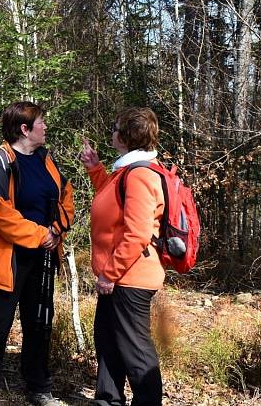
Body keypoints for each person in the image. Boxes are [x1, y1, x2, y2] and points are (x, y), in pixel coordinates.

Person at [0, 102, 74, 406]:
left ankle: (39, 387)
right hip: (7, 257)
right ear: (24, 129)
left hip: (44, 255)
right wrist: (41, 235)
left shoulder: (45, 159)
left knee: (39, 322)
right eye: (40, 122)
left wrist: (56, 231)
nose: (45, 127)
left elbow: (66, 197)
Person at [79, 107, 166, 406]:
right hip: (119, 276)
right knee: (107, 343)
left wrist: (109, 273)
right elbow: (111, 200)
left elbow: (137, 233)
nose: (112, 133)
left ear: (127, 136)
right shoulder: (126, 171)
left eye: (116, 128)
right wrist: (95, 169)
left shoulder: (140, 174)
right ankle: (107, 399)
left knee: (135, 350)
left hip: (129, 277)